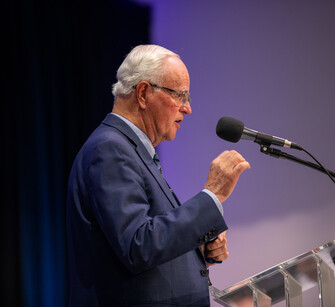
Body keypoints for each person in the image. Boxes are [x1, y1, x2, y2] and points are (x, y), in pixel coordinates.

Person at [66, 44, 250, 306]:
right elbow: (137, 246)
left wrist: (198, 247)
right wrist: (212, 195)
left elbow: (147, 242)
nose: (187, 108)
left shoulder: (131, 150)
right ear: (143, 93)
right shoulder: (110, 149)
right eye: (181, 96)